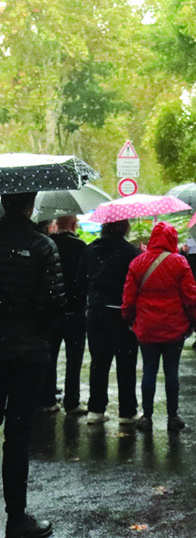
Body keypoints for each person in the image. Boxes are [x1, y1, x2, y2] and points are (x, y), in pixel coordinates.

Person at [0, 192, 64, 538]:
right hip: (28, 353)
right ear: (30, 206)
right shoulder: (41, 246)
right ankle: (16, 518)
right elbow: (55, 302)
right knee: (18, 436)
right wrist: (35, 328)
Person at [122, 222, 196, 431]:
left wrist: (129, 319)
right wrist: (194, 321)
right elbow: (190, 297)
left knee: (149, 369)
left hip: (146, 328)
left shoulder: (137, 263)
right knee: (171, 371)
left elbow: (128, 299)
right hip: (174, 328)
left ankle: (146, 417)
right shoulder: (180, 263)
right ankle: (173, 417)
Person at [77, 219, 141, 426]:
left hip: (95, 311)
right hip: (121, 314)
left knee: (99, 362)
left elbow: (80, 281)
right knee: (126, 363)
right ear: (124, 227)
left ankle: (95, 410)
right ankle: (127, 412)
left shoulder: (90, 249)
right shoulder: (130, 252)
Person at [42, 214, 88, 416]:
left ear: (55, 225)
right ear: (73, 224)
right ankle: (72, 402)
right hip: (76, 312)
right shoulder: (80, 247)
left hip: (52, 311)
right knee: (74, 358)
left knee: (49, 357)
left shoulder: (47, 244)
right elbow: (84, 279)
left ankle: (48, 399)